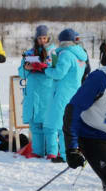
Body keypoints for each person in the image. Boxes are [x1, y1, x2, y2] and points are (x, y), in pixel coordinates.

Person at [42, 28, 87, 163]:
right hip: (74, 92)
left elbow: (59, 73)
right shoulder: (81, 55)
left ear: (63, 42)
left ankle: (62, 154)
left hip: (62, 93)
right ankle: (66, 153)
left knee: (58, 124)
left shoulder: (66, 54)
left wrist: (47, 69)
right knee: (68, 123)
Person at [18, 25, 56, 158]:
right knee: (35, 124)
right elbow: (21, 73)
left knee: (49, 124)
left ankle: (51, 151)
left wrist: (44, 68)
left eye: (44, 37)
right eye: (40, 38)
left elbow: (57, 71)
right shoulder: (29, 53)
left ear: (48, 38)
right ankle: (37, 151)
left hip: (47, 92)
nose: (42, 40)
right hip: (33, 92)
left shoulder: (54, 52)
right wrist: (27, 68)